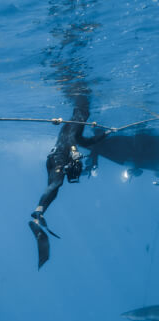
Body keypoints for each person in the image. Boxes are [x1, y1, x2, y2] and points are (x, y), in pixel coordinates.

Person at [28, 94, 105, 268]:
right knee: (56, 184)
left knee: (54, 187)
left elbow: (83, 140)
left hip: (53, 158)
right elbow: (75, 140)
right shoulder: (77, 122)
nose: (87, 116)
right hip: (59, 158)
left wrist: (105, 134)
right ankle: (38, 212)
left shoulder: (73, 125)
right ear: (82, 114)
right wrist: (73, 151)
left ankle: (39, 214)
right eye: (86, 114)